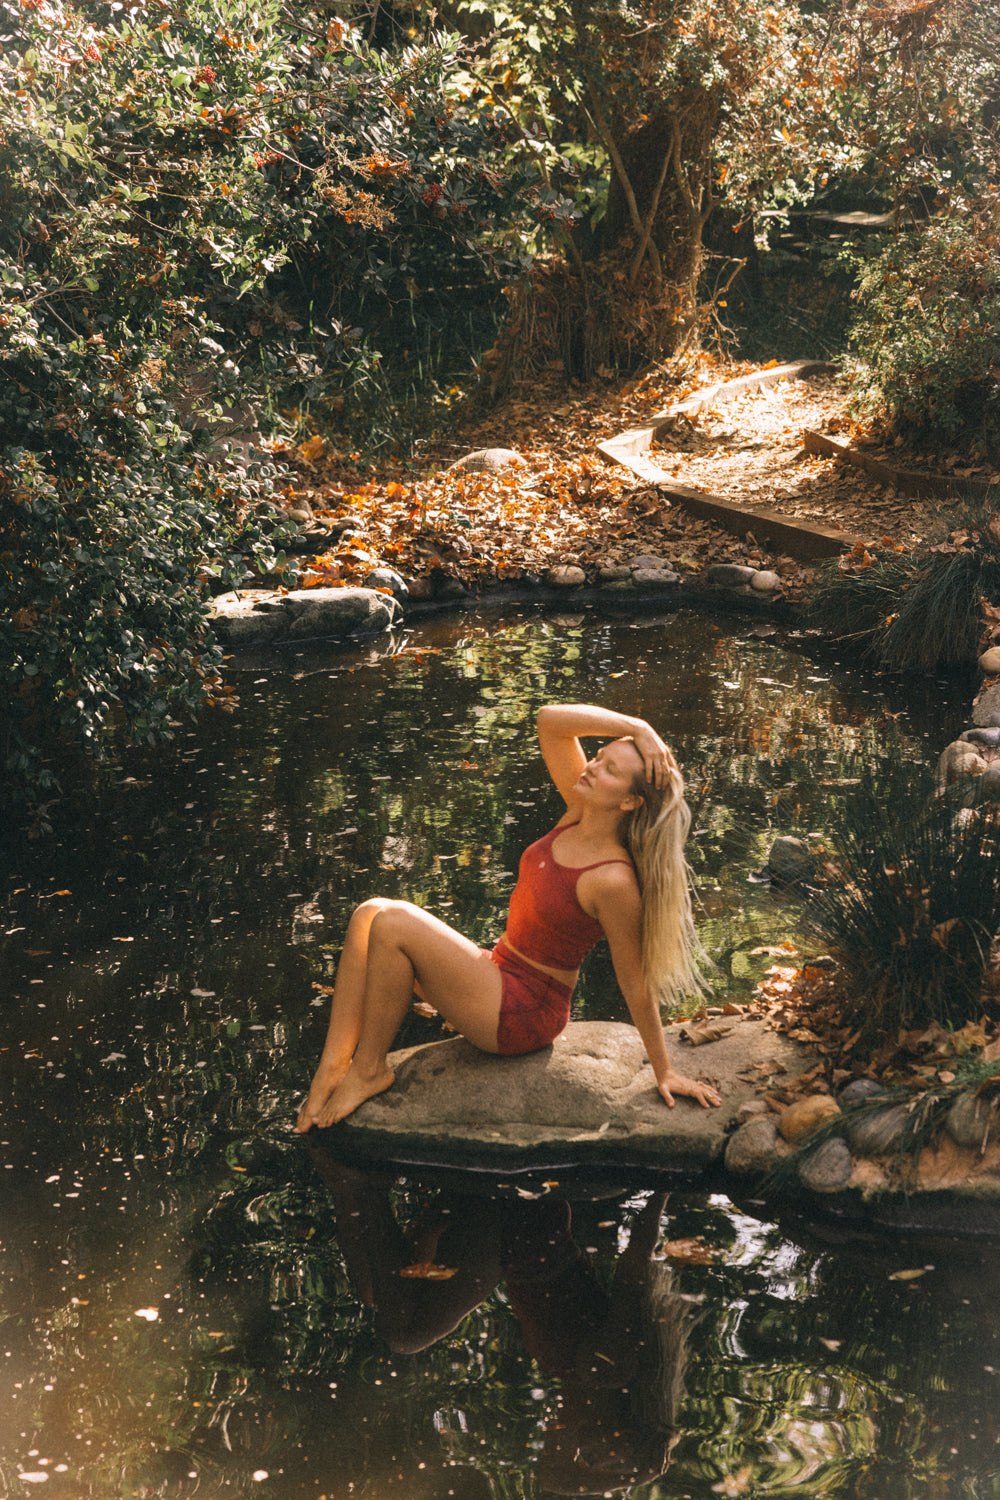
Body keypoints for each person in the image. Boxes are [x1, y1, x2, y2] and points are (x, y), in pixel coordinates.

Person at [295, 702, 721, 1131]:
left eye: (609, 769)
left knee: (392, 923)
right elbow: (550, 721)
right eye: (598, 756)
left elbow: (634, 979)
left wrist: (664, 1069)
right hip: (499, 972)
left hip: (525, 1013)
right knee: (369, 914)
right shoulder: (578, 811)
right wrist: (637, 726)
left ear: (629, 801)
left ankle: (370, 1069)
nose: (592, 767)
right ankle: (333, 1067)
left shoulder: (613, 880)